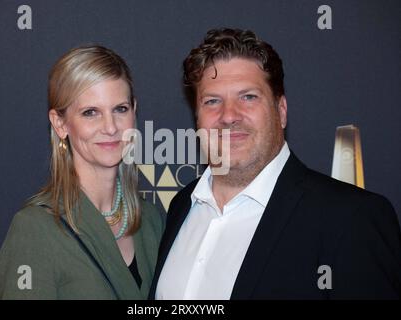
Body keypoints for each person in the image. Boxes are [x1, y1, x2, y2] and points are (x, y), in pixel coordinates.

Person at [150, 28, 401, 299]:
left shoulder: (352, 219)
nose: (229, 116)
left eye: (248, 97)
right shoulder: (181, 207)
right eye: (212, 101)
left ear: (281, 111)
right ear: (197, 118)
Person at [0, 45, 165, 299]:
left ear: (134, 111)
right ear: (60, 123)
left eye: (120, 109)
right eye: (90, 113)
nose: (110, 127)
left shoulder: (151, 220)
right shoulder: (35, 229)